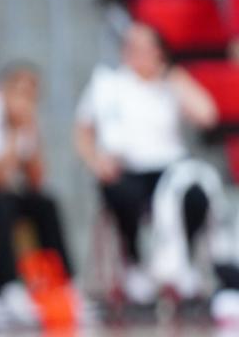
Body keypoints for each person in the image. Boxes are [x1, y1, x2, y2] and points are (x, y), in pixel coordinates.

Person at [74, 22, 219, 303]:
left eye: (143, 47)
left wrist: (173, 76)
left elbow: (208, 115)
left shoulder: (172, 82)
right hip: (127, 168)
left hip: (170, 168)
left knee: (196, 196)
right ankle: (136, 265)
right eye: (129, 46)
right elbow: (82, 132)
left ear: (158, 51)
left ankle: (181, 263)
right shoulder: (109, 84)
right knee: (118, 191)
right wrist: (96, 161)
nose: (134, 53)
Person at [0, 62, 73, 276]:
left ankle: (60, 279)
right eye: (21, 93)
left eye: (32, 96)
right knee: (1, 205)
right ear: (5, 90)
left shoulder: (27, 121)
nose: (26, 102)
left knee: (45, 204)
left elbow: (36, 180)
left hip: (7, 192)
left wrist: (33, 134)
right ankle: (5, 282)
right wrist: (15, 132)